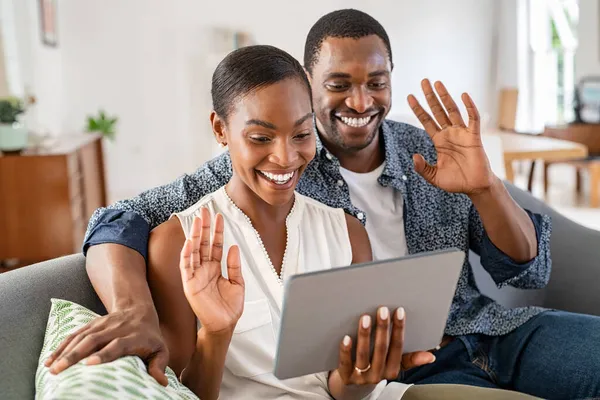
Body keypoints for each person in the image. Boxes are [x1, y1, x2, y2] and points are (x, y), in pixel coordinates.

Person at [45, 8, 598, 399]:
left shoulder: (430, 151)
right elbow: (121, 219)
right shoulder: (272, 167)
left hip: (491, 327)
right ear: (308, 84)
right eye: (338, 84)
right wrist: (132, 309)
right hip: (399, 367)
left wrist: (486, 187)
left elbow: (525, 266)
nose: (361, 101)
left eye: (376, 82)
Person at [145, 44, 431, 400]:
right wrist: (216, 334)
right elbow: (185, 394)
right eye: (261, 138)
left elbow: (341, 391)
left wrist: (362, 374)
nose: (285, 157)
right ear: (220, 129)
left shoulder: (348, 233)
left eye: (301, 134)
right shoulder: (177, 244)